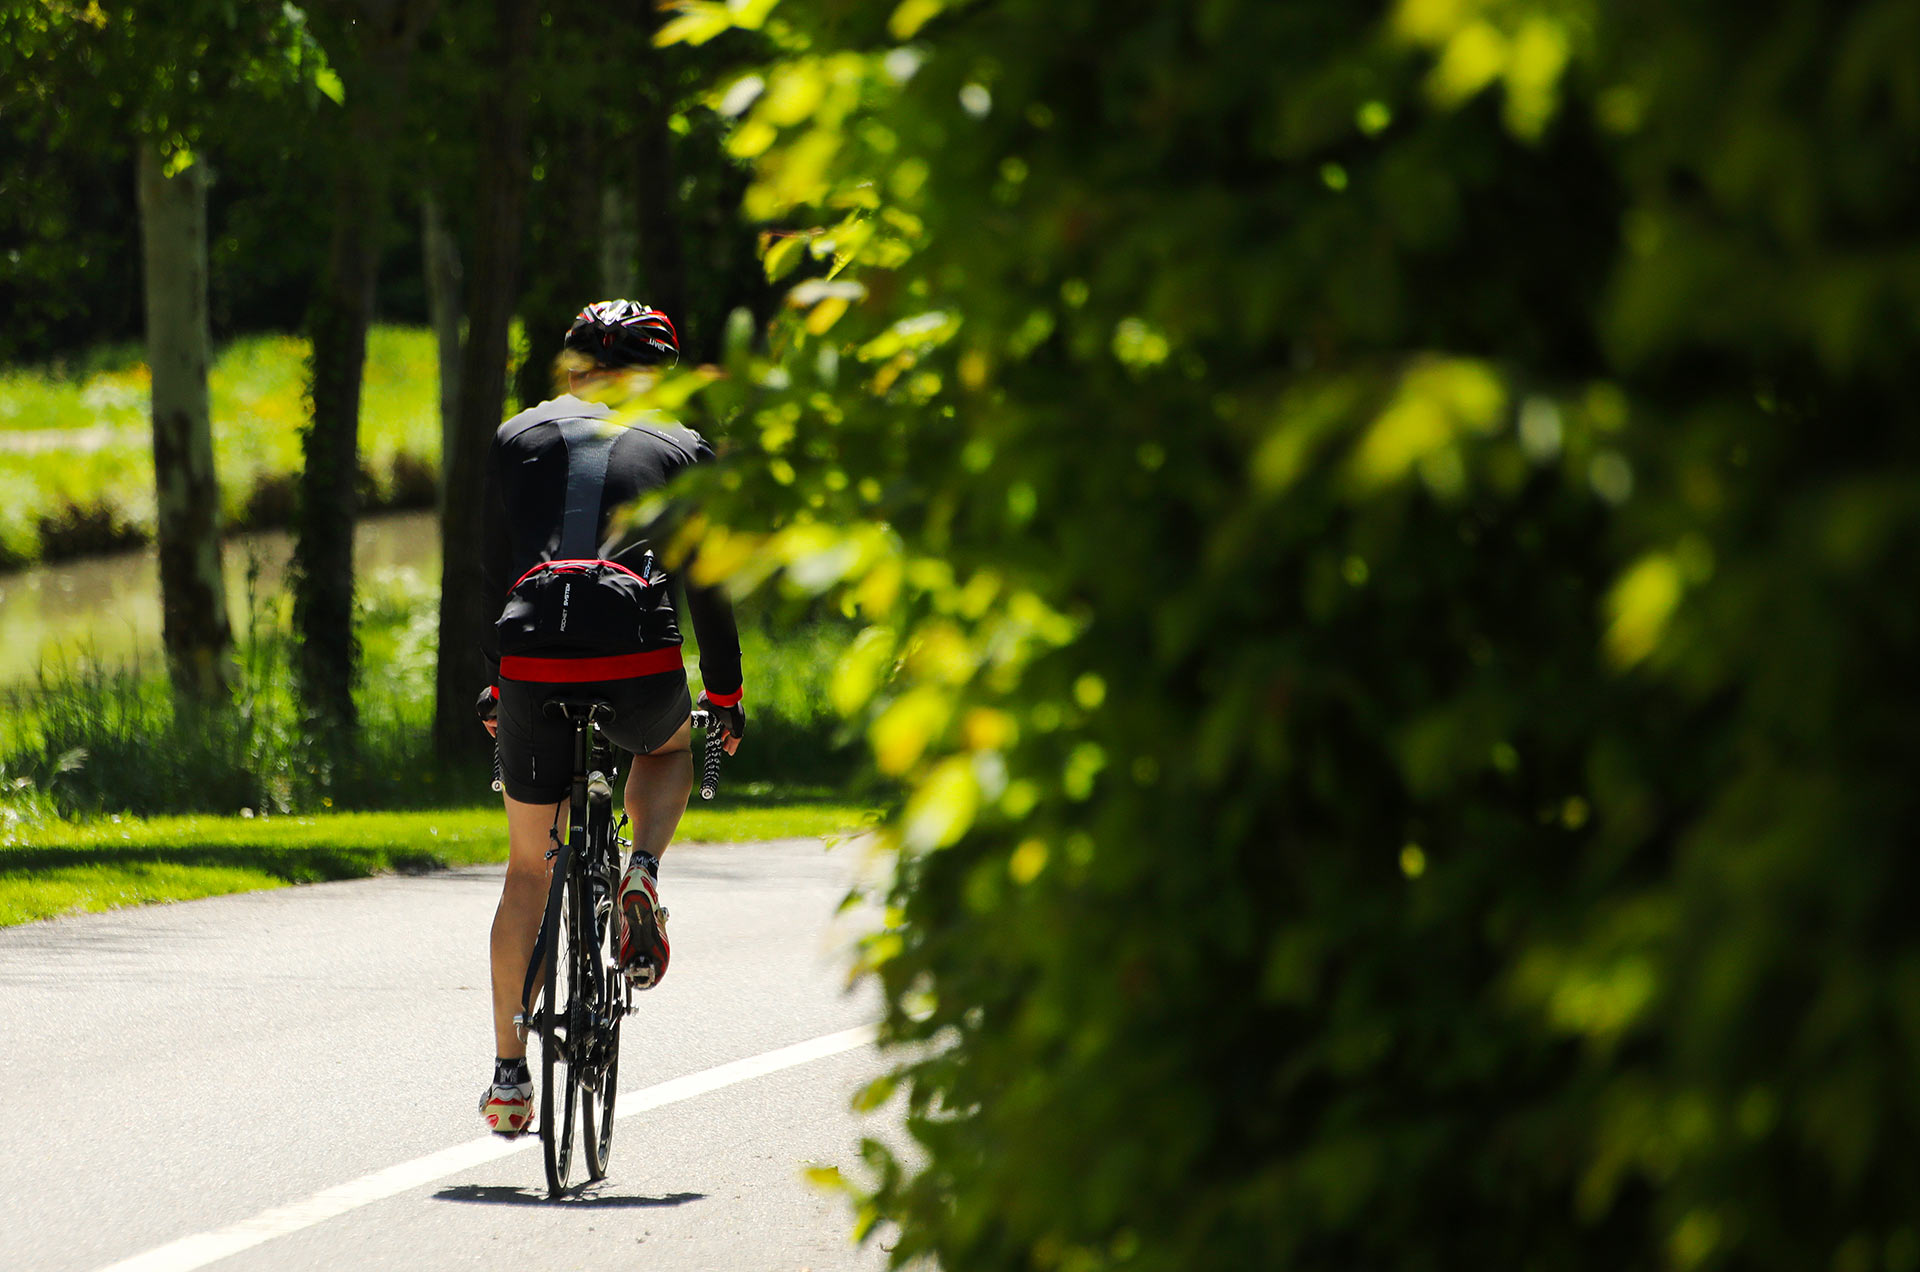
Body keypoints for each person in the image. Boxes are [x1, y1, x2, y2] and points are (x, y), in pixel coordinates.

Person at [474, 300, 745, 1136]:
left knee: (528, 869)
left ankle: (510, 1075)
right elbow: (707, 582)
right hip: (636, 659)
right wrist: (725, 702)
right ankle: (644, 871)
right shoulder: (682, 448)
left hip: (530, 653)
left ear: (571, 365)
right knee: (669, 744)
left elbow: (495, 571)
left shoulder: (516, 437)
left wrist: (495, 683)